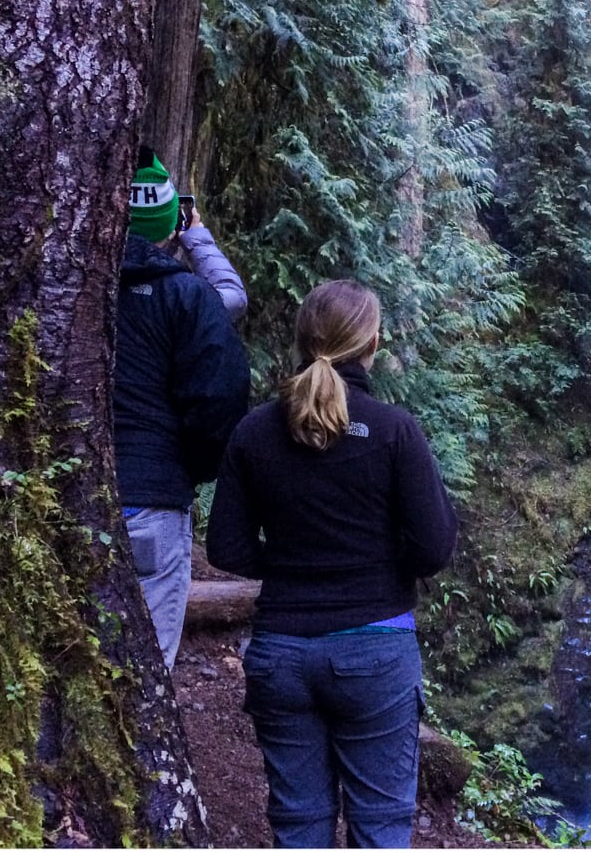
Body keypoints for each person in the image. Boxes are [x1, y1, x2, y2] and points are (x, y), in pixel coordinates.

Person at [206, 279, 458, 848]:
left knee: (298, 823)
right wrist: (378, 567)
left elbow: (226, 548)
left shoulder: (254, 431)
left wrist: (293, 566)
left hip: (281, 656)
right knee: (381, 826)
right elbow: (434, 548)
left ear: (300, 341)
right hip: (375, 652)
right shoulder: (394, 430)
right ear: (374, 343)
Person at [115, 144, 250, 669]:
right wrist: (190, 471)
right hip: (153, 499)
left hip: (65, 493)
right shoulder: (189, 297)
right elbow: (218, 398)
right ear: (171, 223)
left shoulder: (69, 284)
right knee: (145, 671)